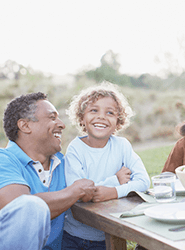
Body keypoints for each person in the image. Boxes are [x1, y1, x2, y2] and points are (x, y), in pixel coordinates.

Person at [0, 92, 96, 250]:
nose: (61, 124)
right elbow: (21, 209)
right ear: (25, 125)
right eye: (52, 118)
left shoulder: (64, 165)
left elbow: (95, 186)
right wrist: (74, 191)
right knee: (30, 206)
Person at [62, 82, 150, 249]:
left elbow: (144, 181)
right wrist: (115, 181)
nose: (102, 117)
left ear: (118, 121)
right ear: (82, 118)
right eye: (94, 110)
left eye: (110, 113)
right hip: (75, 237)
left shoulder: (122, 146)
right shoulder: (75, 149)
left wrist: (113, 192)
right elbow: (80, 194)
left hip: (109, 235)